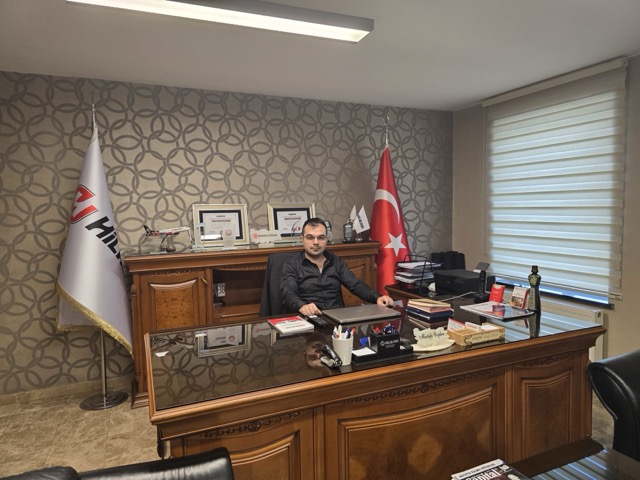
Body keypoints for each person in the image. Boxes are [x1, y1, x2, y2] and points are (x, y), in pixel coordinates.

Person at [281, 217, 394, 316]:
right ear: (302, 239)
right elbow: (288, 293)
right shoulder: (292, 265)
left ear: (327, 239)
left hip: (336, 320)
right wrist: (302, 306)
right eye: (310, 237)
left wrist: (377, 297)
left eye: (321, 237)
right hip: (308, 318)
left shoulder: (336, 261)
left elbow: (355, 285)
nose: (316, 242)